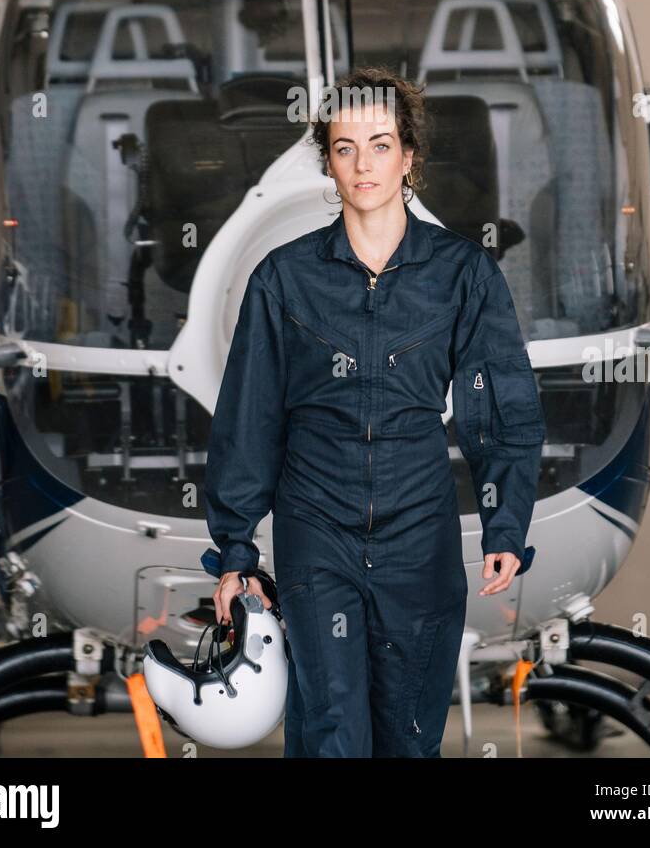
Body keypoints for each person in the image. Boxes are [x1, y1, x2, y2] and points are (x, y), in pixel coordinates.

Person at [204, 66, 546, 757]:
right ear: (326, 160)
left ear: (409, 156)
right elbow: (249, 417)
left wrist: (504, 523)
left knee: (409, 735)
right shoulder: (284, 277)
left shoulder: (461, 274)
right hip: (314, 526)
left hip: (418, 533)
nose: (363, 165)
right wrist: (235, 549)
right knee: (332, 727)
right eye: (344, 147)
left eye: (381, 145)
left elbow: (499, 405)